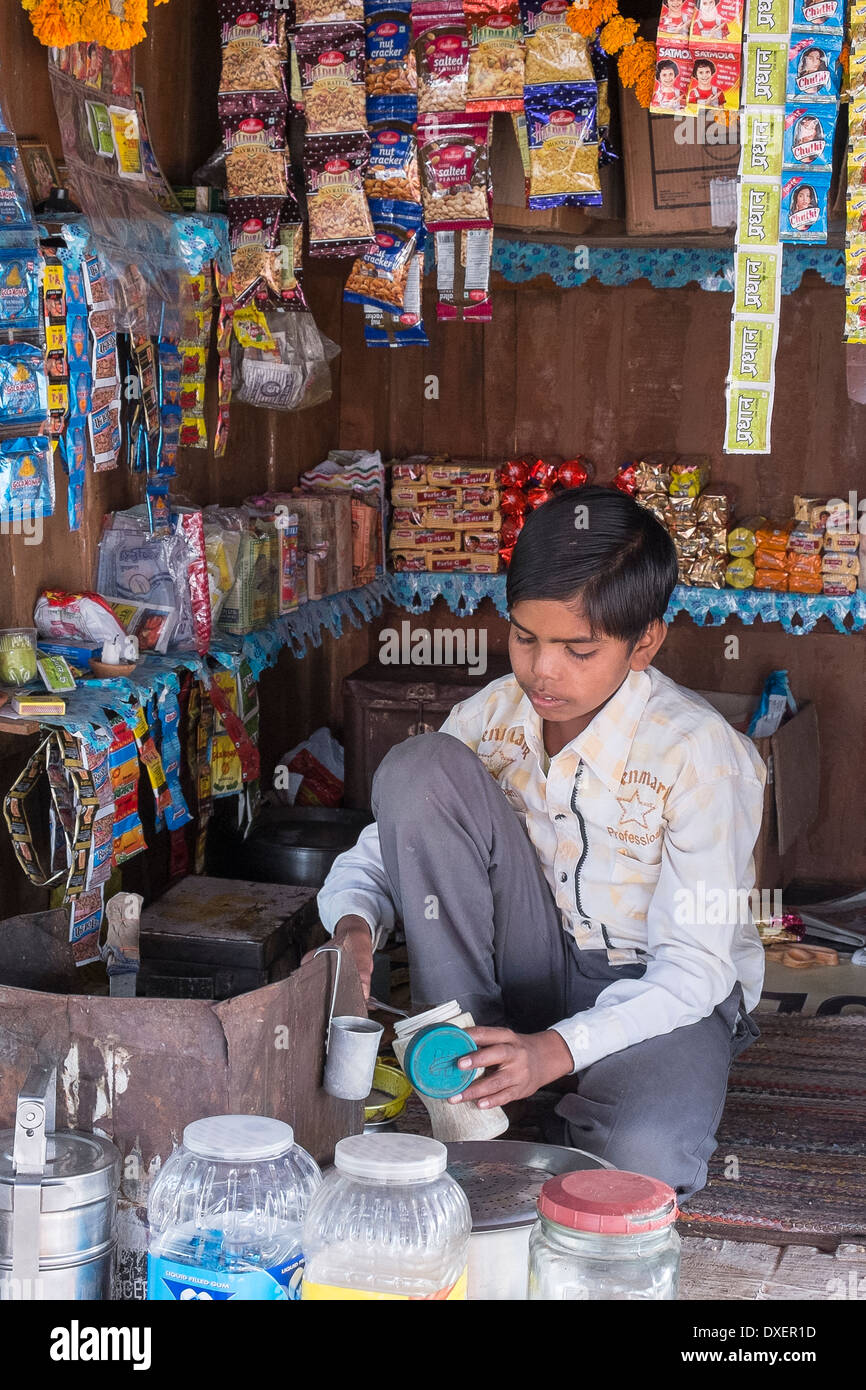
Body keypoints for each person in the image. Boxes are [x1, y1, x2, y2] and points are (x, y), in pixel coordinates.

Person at [317, 487, 767, 1200]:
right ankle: (465, 1075)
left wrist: (558, 1049)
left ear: (644, 641)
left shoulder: (701, 756)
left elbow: (694, 973)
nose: (542, 672)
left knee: (638, 1165)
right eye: (525, 638)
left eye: (577, 649)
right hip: (520, 971)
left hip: (656, 993)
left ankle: (541, 1088)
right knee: (419, 768)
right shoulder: (488, 716)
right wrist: (354, 925)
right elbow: (383, 850)